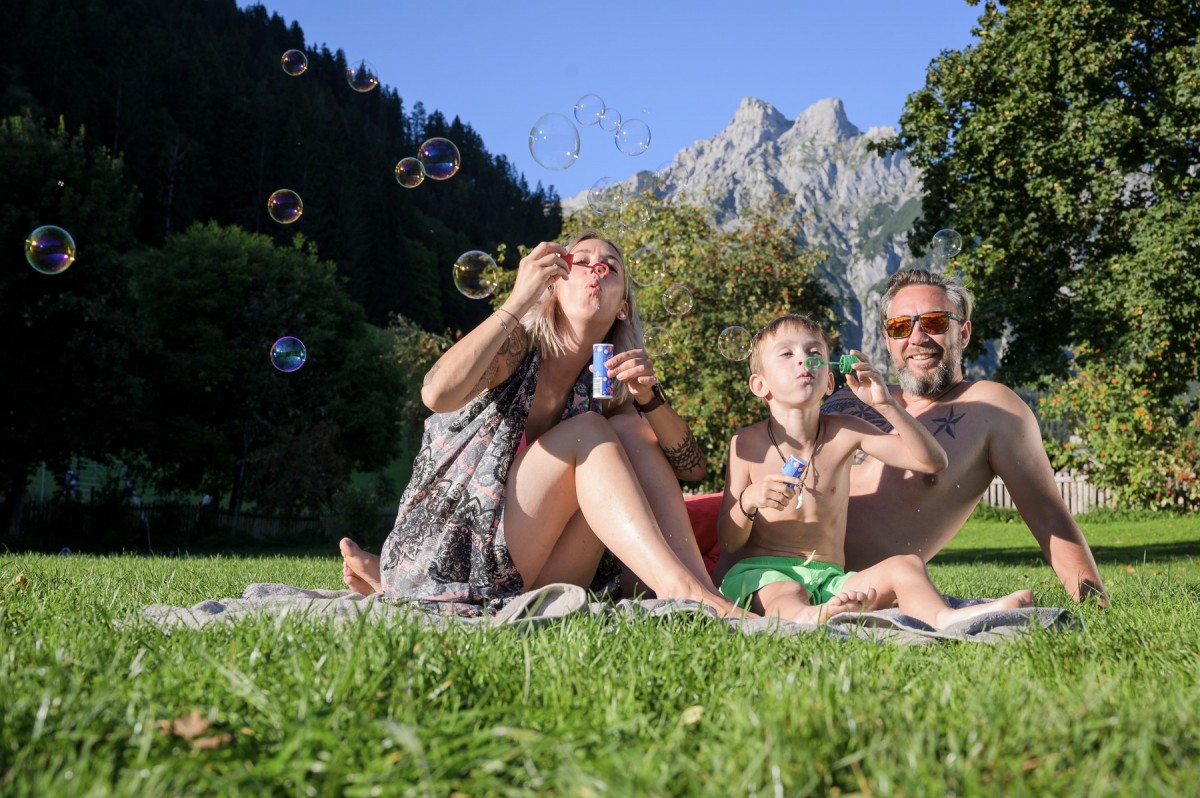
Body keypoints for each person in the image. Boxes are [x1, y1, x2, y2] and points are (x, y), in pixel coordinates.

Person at [340, 231, 736, 615]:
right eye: (581, 262)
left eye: (610, 267)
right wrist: (517, 299)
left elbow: (692, 469)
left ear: (623, 307)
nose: (596, 269)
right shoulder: (516, 347)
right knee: (591, 432)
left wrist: (650, 399)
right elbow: (435, 394)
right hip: (452, 552)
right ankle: (681, 590)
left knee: (628, 430)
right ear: (554, 286)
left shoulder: (600, 385)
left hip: (531, 571)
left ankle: (698, 590)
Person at [717, 314, 1033, 626]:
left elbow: (932, 461)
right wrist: (749, 500)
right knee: (787, 590)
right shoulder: (745, 445)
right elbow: (730, 541)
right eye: (787, 354)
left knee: (906, 565)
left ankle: (947, 617)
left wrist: (885, 404)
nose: (804, 360)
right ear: (760, 385)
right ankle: (804, 615)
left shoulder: (845, 431)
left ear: (829, 381)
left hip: (831, 581)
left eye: (814, 353)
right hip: (761, 575)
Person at [819, 268, 1108, 604]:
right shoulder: (845, 399)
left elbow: (1048, 516)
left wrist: (1094, 603)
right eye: (900, 327)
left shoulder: (991, 409)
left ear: (964, 332)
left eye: (936, 323)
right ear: (888, 339)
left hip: (851, 590)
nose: (918, 338)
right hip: (767, 566)